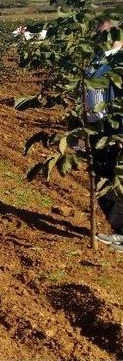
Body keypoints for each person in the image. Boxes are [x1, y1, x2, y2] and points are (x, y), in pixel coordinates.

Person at [86, 20, 123, 252]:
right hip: (95, 129)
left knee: (113, 179)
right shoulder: (95, 60)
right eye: (99, 34)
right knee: (101, 176)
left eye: (108, 34)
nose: (103, 38)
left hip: (114, 130)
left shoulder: (120, 63)